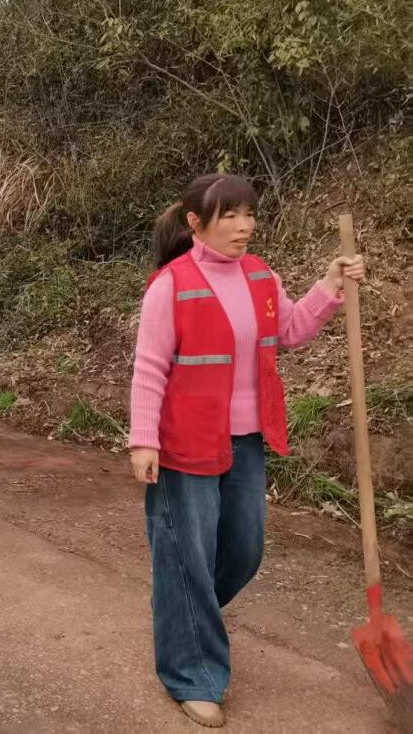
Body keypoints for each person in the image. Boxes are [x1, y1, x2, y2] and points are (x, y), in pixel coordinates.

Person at [128, 173, 365, 728]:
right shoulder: (172, 284)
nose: (244, 227)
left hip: (245, 438)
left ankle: (183, 617)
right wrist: (143, 439)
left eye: (250, 215)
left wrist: (329, 284)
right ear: (196, 223)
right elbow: (149, 366)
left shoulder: (260, 275)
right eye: (231, 216)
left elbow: (288, 331)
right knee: (187, 556)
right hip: (183, 442)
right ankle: (193, 674)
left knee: (245, 548)